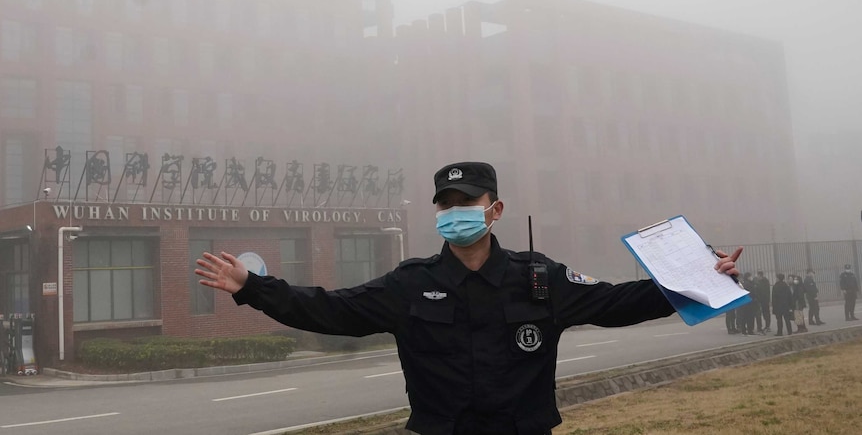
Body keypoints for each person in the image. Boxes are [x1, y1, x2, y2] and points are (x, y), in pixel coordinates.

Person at [194, 161, 743, 435]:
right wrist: (253, 287)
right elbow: (330, 311)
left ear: (494, 209)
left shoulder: (540, 278)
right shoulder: (408, 285)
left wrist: (702, 275)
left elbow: (617, 303)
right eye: (444, 204)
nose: (453, 211)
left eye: (466, 201)